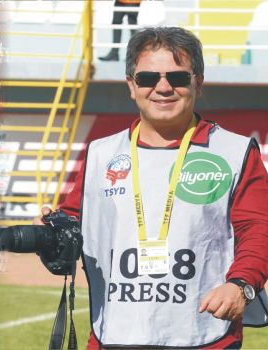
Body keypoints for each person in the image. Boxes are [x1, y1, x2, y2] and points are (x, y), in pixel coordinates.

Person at [57, 27, 268, 348]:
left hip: (205, 335)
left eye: (179, 78)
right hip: (115, 335)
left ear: (198, 82)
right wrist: (52, 234)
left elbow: (259, 228)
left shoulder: (234, 151)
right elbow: (74, 226)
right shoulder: (101, 153)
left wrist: (241, 285)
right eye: (148, 78)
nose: (164, 87)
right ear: (131, 85)